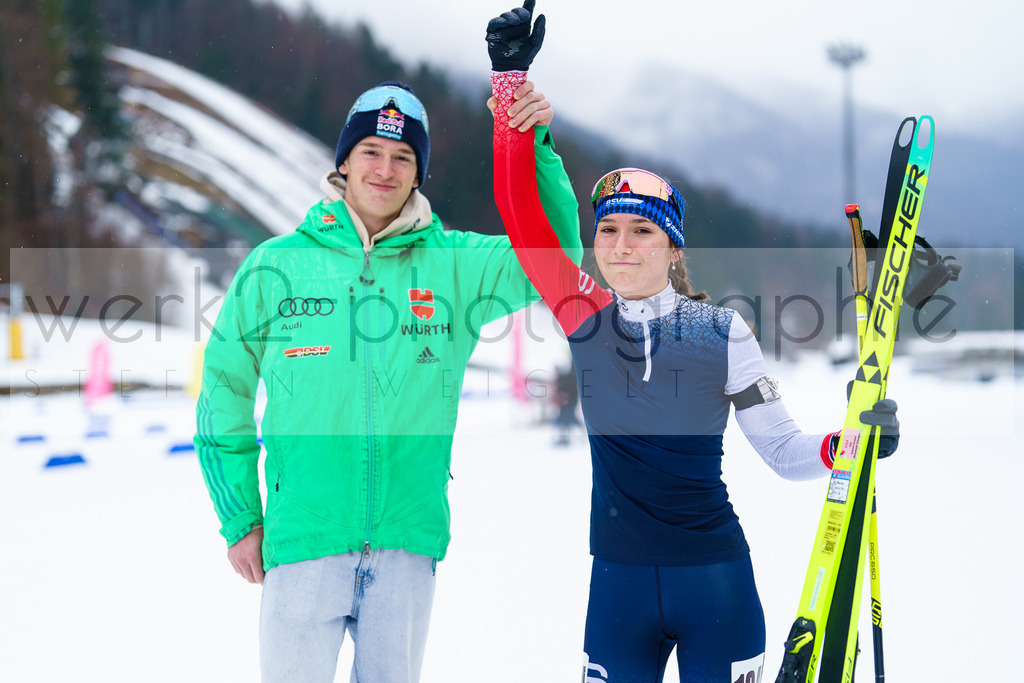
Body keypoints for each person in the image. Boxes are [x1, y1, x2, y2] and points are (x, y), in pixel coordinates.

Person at [488, 42, 901, 683]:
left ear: (674, 248)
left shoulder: (722, 332)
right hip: (617, 591)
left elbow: (785, 450)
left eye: (642, 231)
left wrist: (852, 443)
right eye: (608, 230)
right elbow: (520, 213)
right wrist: (510, 85)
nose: (621, 245)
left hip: (716, 586)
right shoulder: (583, 314)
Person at [193, 5, 579, 680]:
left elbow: (558, 258)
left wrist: (530, 138)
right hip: (302, 537)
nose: (385, 168)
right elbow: (223, 386)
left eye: (403, 156)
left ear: (418, 171)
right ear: (343, 160)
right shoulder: (276, 264)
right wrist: (239, 514)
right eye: (370, 151)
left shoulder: (453, 264)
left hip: (406, 542)